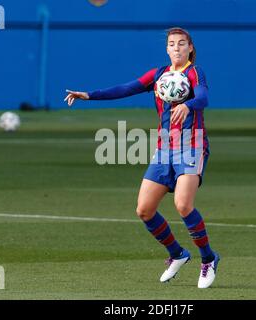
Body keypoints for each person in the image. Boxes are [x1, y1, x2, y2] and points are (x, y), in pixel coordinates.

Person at [64, 27, 220, 289]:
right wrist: (90, 95)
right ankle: (177, 254)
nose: (177, 48)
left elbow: (203, 97)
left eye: (182, 44)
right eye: (172, 44)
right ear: (167, 49)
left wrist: (187, 104)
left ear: (190, 48)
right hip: (164, 150)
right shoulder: (159, 75)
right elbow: (126, 88)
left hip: (191, 147)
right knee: (144, 210)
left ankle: (208, 258)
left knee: (183, 205)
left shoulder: (194, 73)